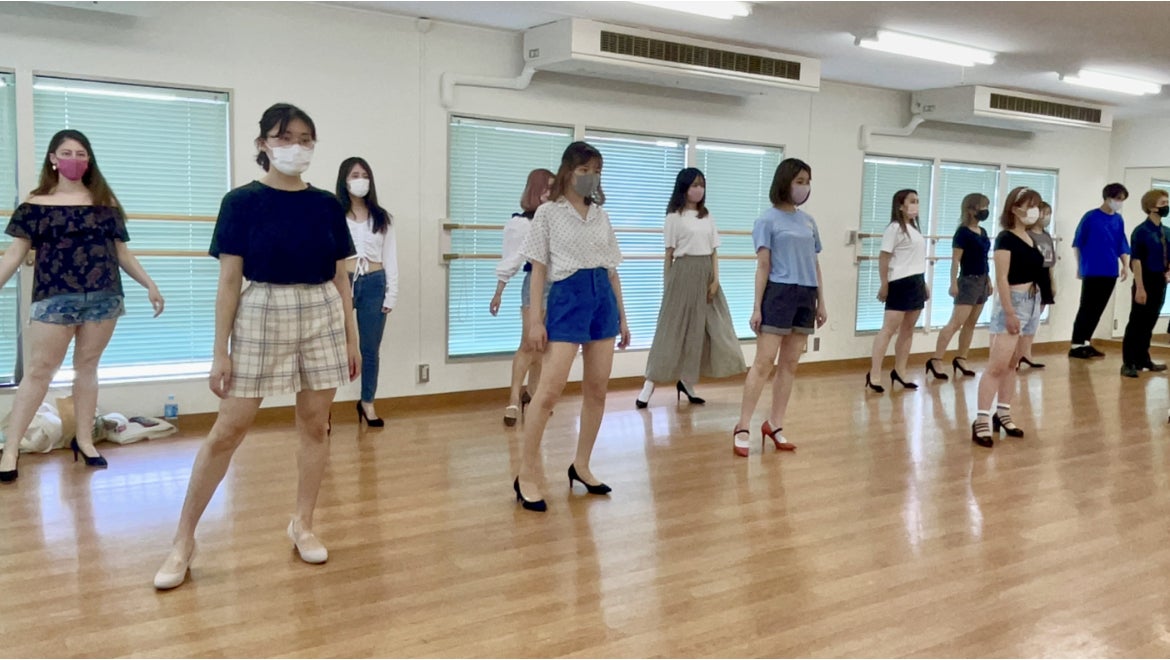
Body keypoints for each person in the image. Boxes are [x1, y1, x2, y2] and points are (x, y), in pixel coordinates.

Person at [153, 103, 359, 589]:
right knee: (229, 429)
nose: (296, 146)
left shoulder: (326, 205)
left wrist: (353, 339)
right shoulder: (241, 202)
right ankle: (183, 540)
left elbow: (341, 278)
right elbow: (229, 282)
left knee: (316, 424)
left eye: (305, 138)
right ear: (263, 143)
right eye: (285, 137)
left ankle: (302, 523)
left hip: (322, 311)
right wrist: (219, 350)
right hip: (262, 308)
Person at [0, 129, 164, 484]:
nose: (74, 159)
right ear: (53, 159)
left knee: (87, 368)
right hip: (54, 297)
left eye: (81, 154)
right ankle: (11, 449)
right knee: (40, 371)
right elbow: (14, 254)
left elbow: (122, 253)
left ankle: (85, 440)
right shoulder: (34, 204)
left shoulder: (104, 202)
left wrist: (149, 283)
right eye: (67, 153)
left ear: (88, 160)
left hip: (103, 295)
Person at [513, 141, 630, 513]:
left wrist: (623, 316)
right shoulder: (548, 213)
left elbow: (612, 270)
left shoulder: (601, 216)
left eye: (596, 171)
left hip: (602, 301)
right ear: (568, 171)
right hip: (567, 298)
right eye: (584, 170)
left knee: (597, 390)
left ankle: (581, 465)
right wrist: (535, 320)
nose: (591, 177)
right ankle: (526, 473)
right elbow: (538, 270)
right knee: (548, 392)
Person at [732, 158, 825, 457]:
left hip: (805, 294)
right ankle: (743, 426)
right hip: (779, 293)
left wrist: (821, 301)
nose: (804, 187)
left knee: (790, 364)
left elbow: (814, 263)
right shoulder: (767, 220)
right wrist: (756, 307)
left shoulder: (809, 221)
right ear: (785, 182)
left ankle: (775, 423)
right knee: (764, 362)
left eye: (807, 181)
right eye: (799, 181)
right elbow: (763, 265)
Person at [637, 167, 745, 409]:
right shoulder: (673, 217)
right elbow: (668, 254)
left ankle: (687, 382)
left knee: (702, 330)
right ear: (684, 187)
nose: (699, 189)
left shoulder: (707, 216)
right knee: (670, 331)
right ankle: (649, 384)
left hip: (705, 274)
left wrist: (715, 280)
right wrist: (667, 285)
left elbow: (714, 251)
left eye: (702, 184)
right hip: (682, 273)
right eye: (694, 184)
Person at [971, 186, 1045, 447]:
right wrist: (1010, 312)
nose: (1034, 210)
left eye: (1037, 205)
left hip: (1032, 302)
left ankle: (1002, 412)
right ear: (1015, 208)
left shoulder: (1031, 238)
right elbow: (1002, 278)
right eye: (1030, 205)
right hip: (1013, 302)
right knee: (997, 365)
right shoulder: (1005, 238)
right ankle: (981, 419)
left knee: (1013, 363)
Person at [336, 156, 398, 426]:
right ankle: (324, 409)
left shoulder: (382, 218)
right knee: (335, 347)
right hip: (342, 281)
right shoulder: (334, 214)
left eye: (364, 175)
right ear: (344, 180)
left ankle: (367, 402)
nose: (360, 180)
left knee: (370, 348)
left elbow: (390, 257)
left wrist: (391, 293)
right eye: (354, 175)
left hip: (374, 282)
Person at [490, 168, 554, 426]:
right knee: (529, 343)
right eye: (546, 188)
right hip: (536, 285)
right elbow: (511, 259)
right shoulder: (523, 223)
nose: (551, 193)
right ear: (535, 191)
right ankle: (514, 399)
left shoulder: (558, 219)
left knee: (545, 346)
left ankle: (534, 395)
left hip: (559, 285)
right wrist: (499, 292)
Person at [866, 189, 928, 393]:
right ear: (900, 205)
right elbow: (884, 257)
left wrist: (924, 283)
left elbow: (917, 259)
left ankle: (900, 371)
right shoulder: (894, 229)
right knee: (888, 329)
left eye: (917, 200)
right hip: (899, 282)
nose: (916, 204)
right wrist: (884, 283)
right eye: (912, 201)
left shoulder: (915, 230)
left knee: (908, 330)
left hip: (916, 282)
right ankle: (874, 374)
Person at [927, 193, 991, 381]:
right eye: (982, 207)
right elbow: (956, 260)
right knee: (956, 322)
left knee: (971, 323)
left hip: (982, 280)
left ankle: (961, 358)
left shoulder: (983, 232)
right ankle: (936, 359)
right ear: (971, 209)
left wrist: (988, 279)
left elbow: (984, 258)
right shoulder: (962, 233)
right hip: (968, 281)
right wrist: (953, 282)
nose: (985, 211)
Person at [1069, 183, 1131, 359]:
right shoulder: (1091, 217)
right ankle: (1076, 345)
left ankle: (1086, 342)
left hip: (1110, 270)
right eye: (1117, 198)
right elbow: (1078, 243)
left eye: (1122, 199)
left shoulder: (1118, 220)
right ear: (1108, 197)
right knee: (1087, 307)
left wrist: (1125, 265)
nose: (1119, 202)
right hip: (1092, 269)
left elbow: (1121, 244)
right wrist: (1079, 267)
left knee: (1098, 309)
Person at [1120, 189, 1170, 377]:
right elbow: (1137, 261)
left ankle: (1143, 358)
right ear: (1151, 207)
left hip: (1160, 280)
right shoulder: (1141, 232)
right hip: (1145, 279)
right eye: (1163, 203)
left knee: (1150, 321)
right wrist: (1140, 288)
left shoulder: (1166, 232)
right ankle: (1129, 362)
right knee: (1137, 321)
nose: (1167, 206)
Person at [1020, 200, 1057, 369]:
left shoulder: (1046, 236)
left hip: (1044, 277)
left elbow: (1050, 262)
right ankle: (1017, 354)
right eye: (1044, 213)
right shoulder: (1026, 235)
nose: (1047, 217)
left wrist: (1052, 282)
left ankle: (1026, 353)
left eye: (1049, 213)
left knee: (1035, 319)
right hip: (1031, 279)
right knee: (1026, 317)